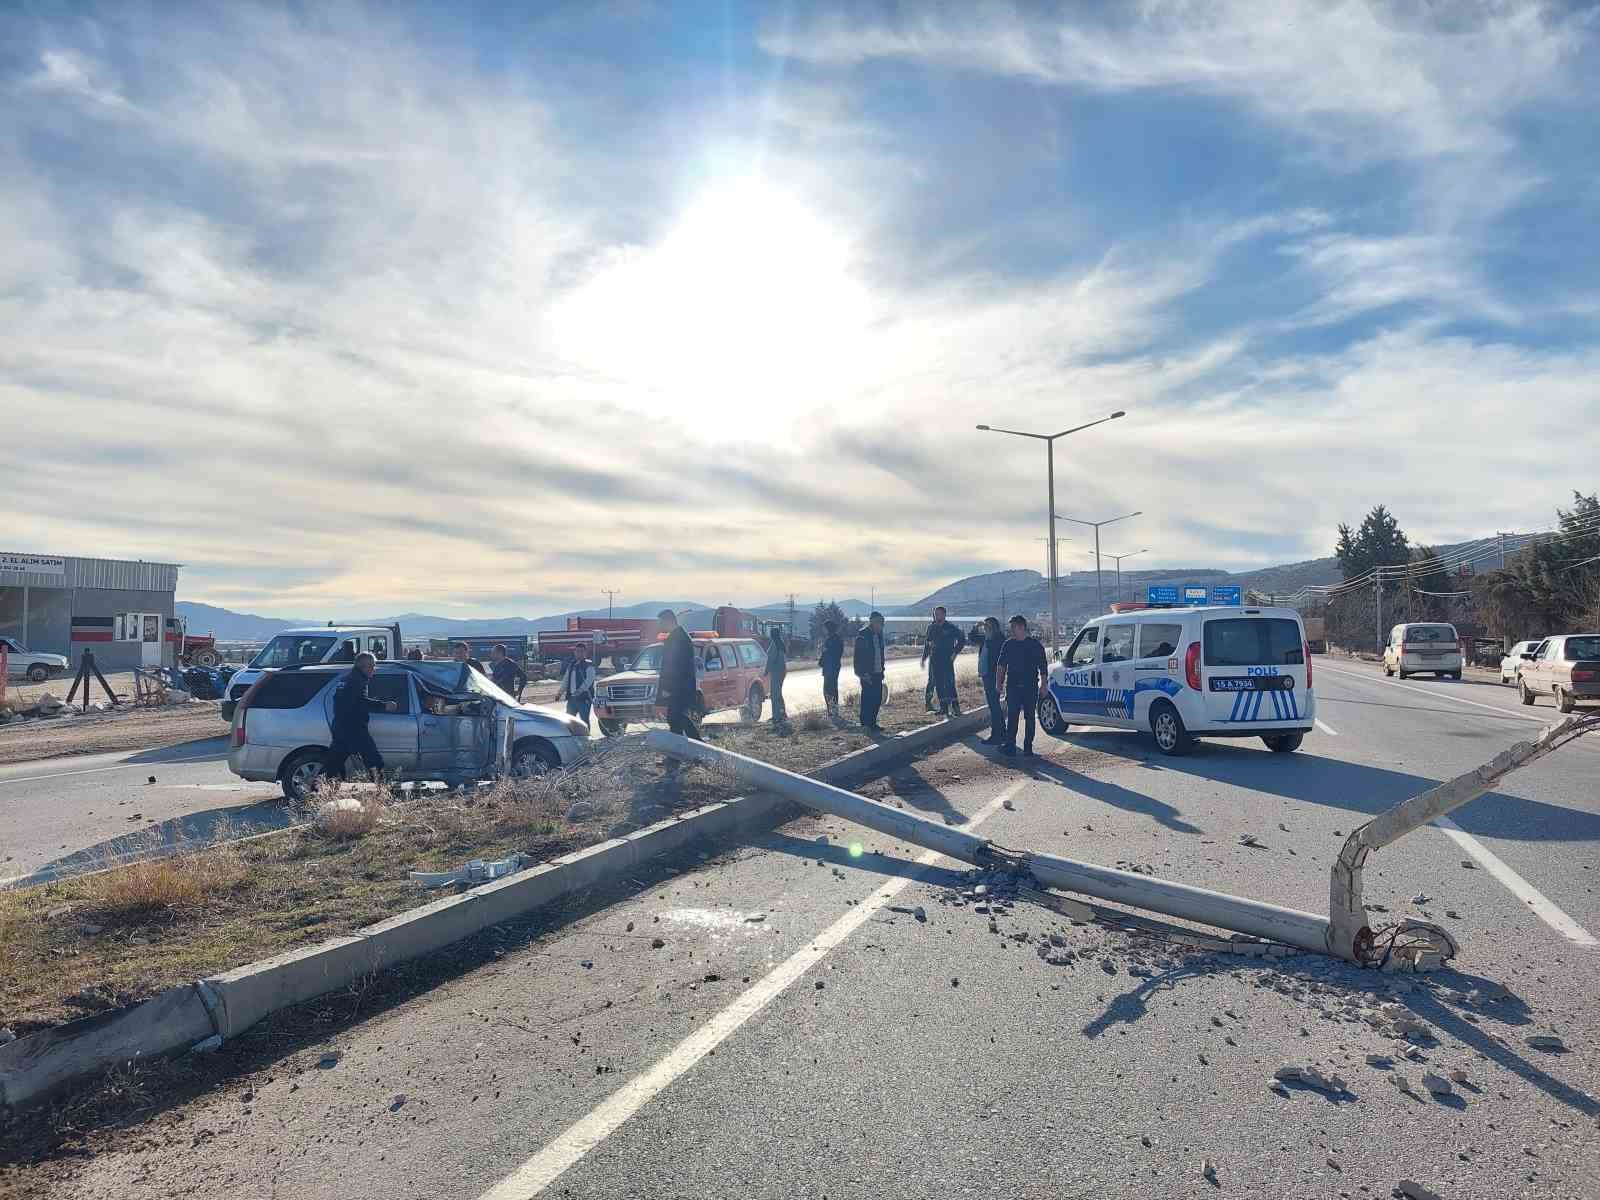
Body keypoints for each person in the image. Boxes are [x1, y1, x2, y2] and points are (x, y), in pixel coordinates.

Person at [322, 652, 398, 782]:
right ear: (364, 666)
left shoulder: (346, 679)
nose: (374, 669)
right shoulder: (357, 681)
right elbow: (361, 702)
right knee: (374, 760)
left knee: (333, 764)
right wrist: (383, 705)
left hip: (341, 726)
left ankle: (316, 790)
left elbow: (345, 701)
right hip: (354, 729)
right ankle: (383, 791)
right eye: (373, 666)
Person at [995, 614, 1048, 757]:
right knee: (1012, 717)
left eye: (1013, 627)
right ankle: (1010, 746)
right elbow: (1001, 666)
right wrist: (998, 684)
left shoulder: (1035, 645)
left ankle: (1028, 747)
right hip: (1013, 686)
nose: (1010, 630)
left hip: (1030, 687)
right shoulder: (1008, 644)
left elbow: (1043, 667)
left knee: (1030, 717)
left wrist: (1044, 685)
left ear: (1021, 627)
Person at [654, 609, 702, 740]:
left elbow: (671, 667)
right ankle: (679, 755)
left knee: (677, 719)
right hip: (681, 688)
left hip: (679, 689)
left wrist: (665, 689)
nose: (660, 625)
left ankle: (697, 749)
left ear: (669, 621)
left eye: (661, 622)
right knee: (677, 721)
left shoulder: (677, 638)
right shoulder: (680, 636)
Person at [920, 605, 966, 716]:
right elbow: (928, 644)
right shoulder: (932, 628)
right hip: (935, 659)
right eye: (935, 614)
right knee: (939, 684)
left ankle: (955, 707)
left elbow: (962, 639)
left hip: (947, 659)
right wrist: (924, 658)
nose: (937, 616)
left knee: (950, 683)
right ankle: (943, 708)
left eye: (939, 614)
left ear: (944, 615)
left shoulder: (950, 627)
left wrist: (955, 653)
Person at [854, 611, 888, 732]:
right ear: (873, 622)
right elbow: (858, 657)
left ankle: (873, 723)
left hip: (878, 672)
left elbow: (880, 654)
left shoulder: (879, 636)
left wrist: (882, 669)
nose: (881, 625)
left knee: (877, 699)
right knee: (867, 699)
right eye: (880, 622)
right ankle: (865, 724)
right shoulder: (863, 636)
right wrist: (862, 673)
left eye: (882, 623)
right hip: (867, 673)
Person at [977, 615, 1006, 744]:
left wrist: (999, 678)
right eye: (985, 626)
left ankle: (997, 735)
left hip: (993, 676)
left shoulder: (997, 639)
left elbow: (1001, 660)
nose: (985, 628)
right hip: (987, 675)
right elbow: (972, 638)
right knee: (994, 706)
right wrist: (976, 627)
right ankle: (1001, 733)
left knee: (994, 706)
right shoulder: (987, 638)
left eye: (987, 626)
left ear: (993, 627)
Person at [558, 642, 595, 728]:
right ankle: (572, 738)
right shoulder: (571, 665)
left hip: (584, 699)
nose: (579, 653)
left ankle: (587, 737)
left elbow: (589, 680)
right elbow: (566, 680)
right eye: (577, 651)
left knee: (584, 721)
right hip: (572, 699)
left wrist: (580, 690)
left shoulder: (589, 665)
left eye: (581, 651)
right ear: (574, 652)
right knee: (569, 720)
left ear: (585, 653)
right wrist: (560, 693)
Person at [818, 619, 845, 717]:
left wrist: (823, 657)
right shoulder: (837, 639)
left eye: (824, 628)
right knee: (833, 688)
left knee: (828, 689)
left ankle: (832, 710)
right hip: (834, 666)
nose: (823, 630)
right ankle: (833, 710)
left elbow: (829, 654)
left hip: (830, 667)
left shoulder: (831, 640)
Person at [765, 626, 789, 726]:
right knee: (778, 694)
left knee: (775, 695)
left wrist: (766, 671)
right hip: (781, 671)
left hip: (776, 672)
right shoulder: (780, 643)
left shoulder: (774, 644)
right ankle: (782, 714)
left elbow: (771, 660)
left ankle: (777, 717)